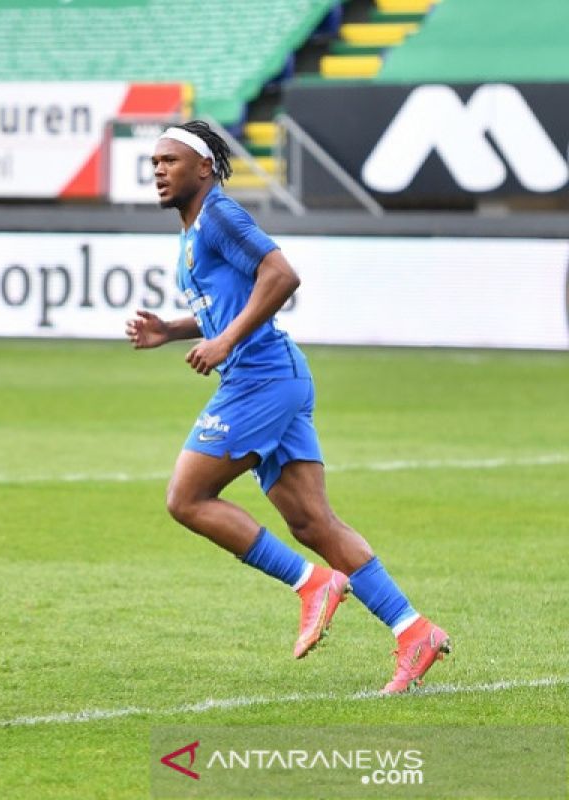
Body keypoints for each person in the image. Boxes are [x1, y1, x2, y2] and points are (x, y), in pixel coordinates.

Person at [125, 120, 450, 695]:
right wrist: (173, 329)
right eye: (154, 162)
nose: (158, 169)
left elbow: (282, 275)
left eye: (170, 160)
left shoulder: (221, 215)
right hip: (276, 379)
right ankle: (413, 630)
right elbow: (228, 305)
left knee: (187, 497)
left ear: (204, 168)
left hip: (261, 381)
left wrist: (224, 343)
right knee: (312, 522)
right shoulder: (196, 229)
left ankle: (310, 584)